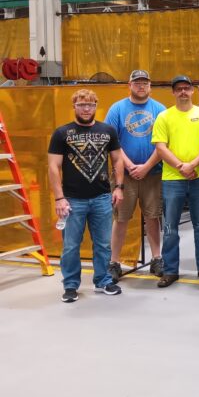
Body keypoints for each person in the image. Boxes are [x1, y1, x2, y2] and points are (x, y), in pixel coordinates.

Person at [47, 89, 124, 302]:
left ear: (96, 106)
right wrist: (59, 198)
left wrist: (119, 187)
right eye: (81, 105)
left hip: (102, 198)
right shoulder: (62, 133)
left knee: (103, 244)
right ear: (74, 106)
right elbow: (53, 167)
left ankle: (103, 281)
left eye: (90, 104)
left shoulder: (108, 131)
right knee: (71, 245)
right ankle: (71, 285)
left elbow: (117, 160)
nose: (86, 109)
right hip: (72, 200)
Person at [152, 74, 199, 287]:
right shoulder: (164, 117)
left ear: (192, 90)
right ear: (173, 92)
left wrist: (193, 165)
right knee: (170, 227)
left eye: (186, 88)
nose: (183, 92)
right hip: (172, 180)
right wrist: (182, 167)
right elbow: (160, 147)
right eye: (178, 88)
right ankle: (170, 270)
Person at [104, 69, 166, 281]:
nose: (141, 86)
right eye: (137, 83)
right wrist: (130, 166)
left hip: (153, 173)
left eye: (145, 83)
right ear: (129, 85)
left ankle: (156, 258)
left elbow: (163, 144)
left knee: (153, 216)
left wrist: (146, 167)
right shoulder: (117, 109)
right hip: (124, 176)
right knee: (120, 218)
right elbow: (112, 142)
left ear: (150, 86)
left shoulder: (160, 110)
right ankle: (114, 262)